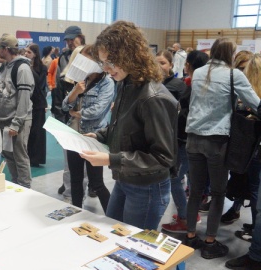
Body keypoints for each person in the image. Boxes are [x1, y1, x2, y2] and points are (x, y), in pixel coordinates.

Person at [81, 21, 178, 230]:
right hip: (126, 179)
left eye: (111, 62)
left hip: (147, 187)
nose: (106, 70)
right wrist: (99, 136)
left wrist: (110, 158)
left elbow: (163, 157)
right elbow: (124, 126)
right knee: (113, 234)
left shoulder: (153, 97)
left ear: (129, 55)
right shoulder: (126, 84)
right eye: (103, 63)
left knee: (132, 249)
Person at [183, 38, 260, 259]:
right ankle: (210, 242)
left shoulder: (198, 72)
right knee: (218, 193)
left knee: (196, 192)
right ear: (230, 54)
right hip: (216, 141)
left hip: (193, 139)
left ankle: (190, 237)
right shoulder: (233, 74)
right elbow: (255, 103)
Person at [161, 50, 209, 233]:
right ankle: (187, 214)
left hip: (188, 141)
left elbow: (189, 114)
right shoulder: (190, 84)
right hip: (184, 140)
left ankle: (186, 216)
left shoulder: (192, 86)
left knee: (174, 179)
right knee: (180, 179)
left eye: (163, 63)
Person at [63, 45, 115, 212]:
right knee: (75, 180)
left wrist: (77, 113)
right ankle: (77, 211)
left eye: (86, 60)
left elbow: (98, 110)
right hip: (74, 136)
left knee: (96, 183)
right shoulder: (83, 79)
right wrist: (75, 92)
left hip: (93, 136)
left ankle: (113, 216)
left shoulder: (107, 82)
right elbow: (65, 105)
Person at [221, 52, 260, 242]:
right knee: (245, 185)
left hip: (252, 148)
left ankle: (255, 230)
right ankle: (249, 222)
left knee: (254, 191)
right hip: (245, 147)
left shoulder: (254, 95)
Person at [55, 25, 91, 199]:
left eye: (72, 39)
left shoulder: (92, 58)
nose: (69, 42)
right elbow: (58, 90)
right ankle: (70, 190)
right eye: (67, 40)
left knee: (85, 162)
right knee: (69, 161)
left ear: (80, 37)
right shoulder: (62, 58)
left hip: (86, 121)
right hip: (68, 117)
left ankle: (86, 188)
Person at [0, 34, 34, 188]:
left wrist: (16, 123)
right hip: (4, 120)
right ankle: (16, 183)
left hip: (18, 121)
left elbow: (24, 98)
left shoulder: (22, 68)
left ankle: (26, 188)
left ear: (6, 49)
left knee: (20, 156)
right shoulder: (4, 67)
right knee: (8, 155)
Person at [24, 43, 47, 167]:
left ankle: (36, 158)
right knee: (27, 131)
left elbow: (40, 85)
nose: (26, 54)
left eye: (29, 52)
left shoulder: (42, 68)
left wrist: (30, 70)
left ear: (35, 54)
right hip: (28, 102)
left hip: (38, 103)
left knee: (37, 132)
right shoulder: (24, 66)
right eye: (26, 52)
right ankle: (27, 154)